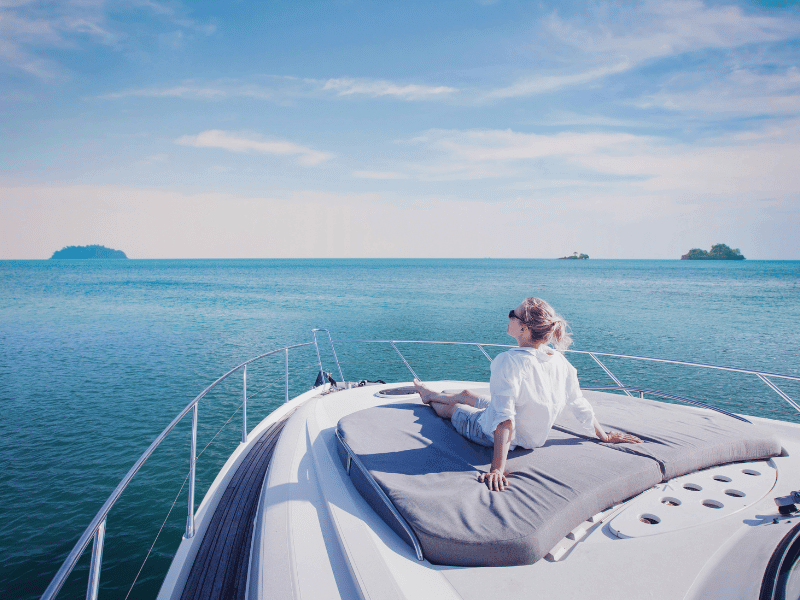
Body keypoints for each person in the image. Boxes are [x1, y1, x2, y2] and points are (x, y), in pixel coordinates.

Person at [413, 297, 642, 492]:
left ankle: (429, 398)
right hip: (530, 434)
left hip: (489, 432)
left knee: (455, 410)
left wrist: (497, 469)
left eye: (513, 314)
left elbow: (504, 420)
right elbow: (578, 402)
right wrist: (604, 435)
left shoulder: (508, 362)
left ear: (524, 328)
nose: (509, 316)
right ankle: (447, 394)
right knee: (467, 394)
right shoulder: (559, 360)